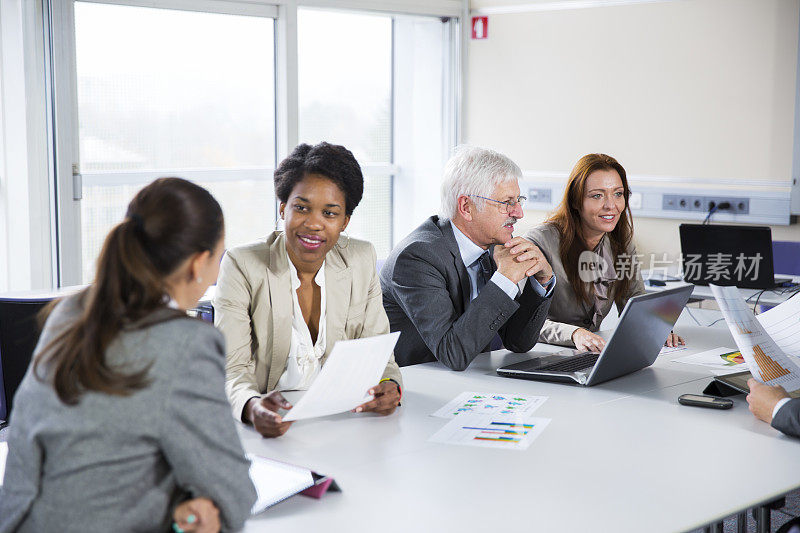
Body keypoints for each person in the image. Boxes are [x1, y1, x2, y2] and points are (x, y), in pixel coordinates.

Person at [0, 178, 256, 533]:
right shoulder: (186, 344)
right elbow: (233, 498)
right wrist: (186, 515)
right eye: (220, 254)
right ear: (199, 264)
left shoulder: (71, 312)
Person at [214, 142, 402, 439]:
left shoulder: (359, 259)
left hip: (345, 427)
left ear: (344, 222)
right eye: (301, 208)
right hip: (273, 429)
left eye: (330, 214)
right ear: (282, 209)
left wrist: (392, 385)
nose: (314, 224)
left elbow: (380, 356)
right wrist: (252, 407)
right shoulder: (243, 265)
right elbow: (230, 369)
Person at [380, 145, 555, 370]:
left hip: (470, 381)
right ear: (466, 207)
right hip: (416, 388)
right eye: (507, 202)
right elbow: (452, 353)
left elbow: (517, 342)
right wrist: (504, 279)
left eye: (518, 200)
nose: (519, 213)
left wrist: (542, 282)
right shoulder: (417, 257)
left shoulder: (491, 246)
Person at [525, 153, 684, 351]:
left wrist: (655, 326)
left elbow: (634, 299)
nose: (611, 205)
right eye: (597, 195)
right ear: (576, 201)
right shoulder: (540, 243)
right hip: (538, 353)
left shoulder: (621, 243)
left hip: (590, 353)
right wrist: (573, 334)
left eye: (618, 194)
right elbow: (522, 323)